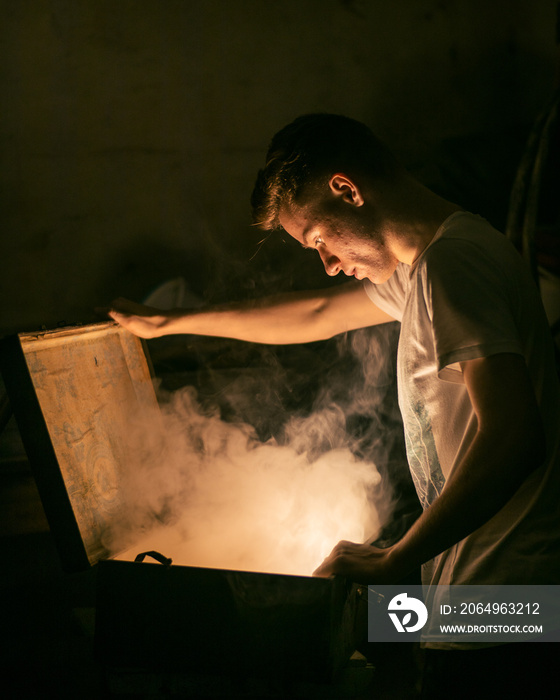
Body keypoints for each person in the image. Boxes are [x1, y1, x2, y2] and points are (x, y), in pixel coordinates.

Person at [108, 114, 560, 697]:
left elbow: (515, 437)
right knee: (383, 634)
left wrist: (393, 558)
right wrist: (171, 323)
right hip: (489, 603)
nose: (326, 262)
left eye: (320, 238)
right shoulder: (425, 269)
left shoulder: (455, 264)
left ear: (346, 189)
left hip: (512, 611)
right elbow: (319, 314)